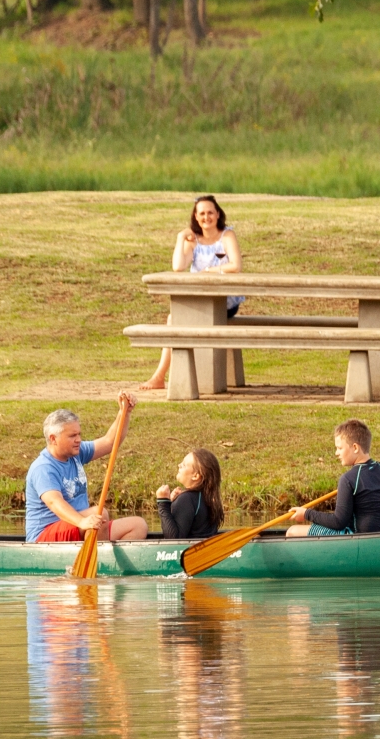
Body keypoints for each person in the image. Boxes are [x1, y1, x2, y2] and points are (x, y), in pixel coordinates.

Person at [141, 194, 243, 391]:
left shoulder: (227, 236)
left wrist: (210, 271)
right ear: (196, 217)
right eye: (202, 213)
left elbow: (235, 265)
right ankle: (160, 377)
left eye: (210, 212)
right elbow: (178, 266)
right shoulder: (193, 240)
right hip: (199, 300)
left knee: (174, 320)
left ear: (218, 214)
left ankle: (159, 376)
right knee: (173, 319)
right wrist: (181, 238)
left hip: (225, 302)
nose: (207, 217)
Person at [25, 398, 150, 543]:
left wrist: (124, 412)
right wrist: (81, 522)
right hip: (45, 536)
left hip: (80, 526)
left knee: (138, 526)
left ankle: (105, 561)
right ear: (53, 439)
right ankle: (100, 561)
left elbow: (110, 442)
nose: (78, 439)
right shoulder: (44, 468)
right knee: (100, 513)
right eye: (72, 436)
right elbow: (54, 502)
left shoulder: (76, 452)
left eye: (79, 434)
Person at [286, 419, 380, 536]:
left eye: (339, 448)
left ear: (355, 447)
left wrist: (306, 514)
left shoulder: (348, 479)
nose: (336, 453)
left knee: (292, 531)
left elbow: (338, 522)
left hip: (359, 540)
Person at [155, 447, 225, 539]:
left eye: (184, 465)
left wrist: (163, 502)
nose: (178, 465)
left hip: (191, 552)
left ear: (196, 476)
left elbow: (173, 539)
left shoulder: (187, 499)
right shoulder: (207, 498)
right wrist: (171, 503)